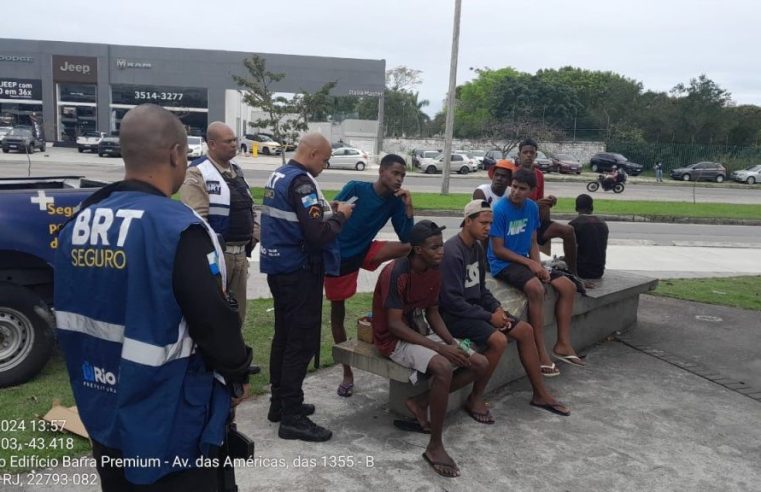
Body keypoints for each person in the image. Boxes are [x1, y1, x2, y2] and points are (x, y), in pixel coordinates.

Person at [54, 104, 253, 490]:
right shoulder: (180, 229)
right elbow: (214, 321)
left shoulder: (77, 222)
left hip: (100, 404)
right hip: (171, 417)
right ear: (177, 154)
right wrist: (238, 370)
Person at [372, 220, 490, 478]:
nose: (441, 251)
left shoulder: (435, 269)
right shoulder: (396, 273)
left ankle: (419, 401)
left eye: (441, 245)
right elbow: (393, 325)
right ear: (417, 250)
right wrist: (439, 348)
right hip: (394, 339)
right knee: (443, 366)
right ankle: (435, 446)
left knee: (480, 363)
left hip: (420, 330)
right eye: (434, 247)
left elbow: (433, 311)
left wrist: (450, 343)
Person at [260, 133, 354, 442]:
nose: (325, 166)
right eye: (325, 160)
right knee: (299, 342)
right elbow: (316, 233)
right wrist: (340, 217)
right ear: (313, 153)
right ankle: (292, 417)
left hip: (279, 268)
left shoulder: (280, 174)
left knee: (284, 337)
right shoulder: (301, 182)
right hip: (299, 271)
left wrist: (329, 211)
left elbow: (299, 219)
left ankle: (281, 403)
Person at [439, 200, 570, 416]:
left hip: (477, 312)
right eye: (483, 223)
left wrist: (497, 309)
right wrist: (489, 317)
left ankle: (540, 393)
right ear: (467, 221)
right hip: (455, 317)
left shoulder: (478, 248)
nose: (488, 228)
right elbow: (451, 302)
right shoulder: (452, 252)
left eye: (490, 223)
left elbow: (481, 289)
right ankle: (476, 397)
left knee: (525, 331)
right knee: (498, 341)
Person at [325, 153, 414, 398]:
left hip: (366, 250)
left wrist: (408, 206)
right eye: (395, 173)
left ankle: (397, 297)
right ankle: (346, 372)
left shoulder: (395, 202)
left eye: (402, 176)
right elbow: (332, 215)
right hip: (339, 257)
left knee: (412, 248)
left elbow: (407, 237)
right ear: (381, 172)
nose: (399, 179)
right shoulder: (356, 188)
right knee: (337, 312)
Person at [488, 168, 585, 375]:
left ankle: (563, 344)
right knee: (536, 289)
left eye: (522, 189)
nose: (515, 192)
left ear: (532, 191)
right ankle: (540, 352)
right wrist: (530, 265)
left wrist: (539, 265)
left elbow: (532, 241)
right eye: (513, 187)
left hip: (524, 261)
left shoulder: (532, 208)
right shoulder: (499, 210)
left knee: (567, 286)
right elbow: (498, 249)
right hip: (502, 263)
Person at [516, 138, 578, 274]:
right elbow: (512, 204)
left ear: (536, 155)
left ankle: (574, 275)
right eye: (525, 152)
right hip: (518, 223)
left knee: (569, 231)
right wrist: (535, 204)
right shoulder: (513, 174)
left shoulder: (539, 175)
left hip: (536, 222)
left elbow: (539, 200)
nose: (528, 155)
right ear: (519, 154)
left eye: (531, 153)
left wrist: (548, 201)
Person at [569, 194, 609, 280]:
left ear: (576, 208)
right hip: (599, 270)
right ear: (592, 207)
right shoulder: (603, 223)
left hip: (581, 271)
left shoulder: (574, 224)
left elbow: (571, 252)